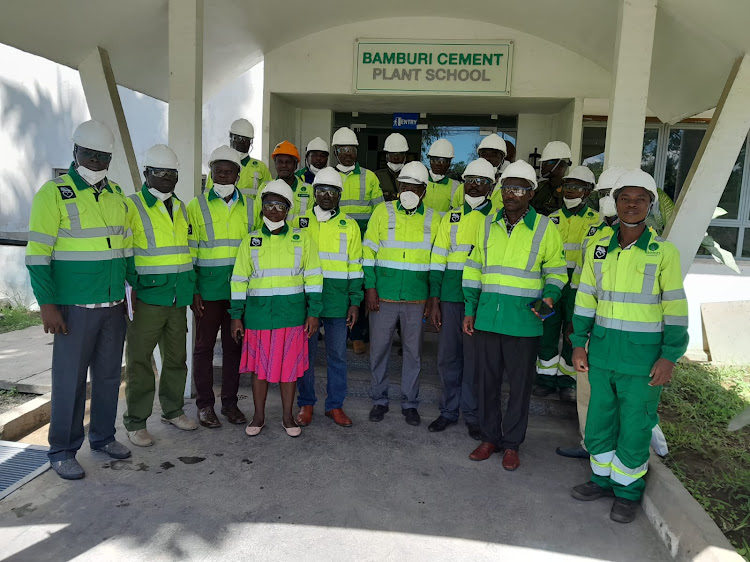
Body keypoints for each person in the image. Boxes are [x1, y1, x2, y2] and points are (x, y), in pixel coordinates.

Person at [570, 169, 688, 524]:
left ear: (650, 204)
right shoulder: (599, 248)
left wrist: (670, 356)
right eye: (625, 198)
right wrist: (578, 343)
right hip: (603, 354)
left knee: (635, 426)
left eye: (640, 199)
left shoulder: (663, 253)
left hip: (643, 360)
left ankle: (627, 492)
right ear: (615, 202)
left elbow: (676, 309)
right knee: (599, 422)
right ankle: (600, 480)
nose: (631, 204)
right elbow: (585, 299)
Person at [25, 120, 131, 479]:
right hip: (74, 307)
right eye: (90, 154)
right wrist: (47, 304)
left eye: (103, 156)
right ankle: (62, 449)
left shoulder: (117, 194)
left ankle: (102, 437)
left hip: (113, 304)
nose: (96, 161)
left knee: (108, 377)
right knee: (69, 381)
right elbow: (38, 253)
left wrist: (133, 292)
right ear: (75, 152)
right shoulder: (53, 193)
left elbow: (125, 250)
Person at [463, 160, 567, 471]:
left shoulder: (546, 228)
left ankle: (512, 444)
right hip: (488, 320)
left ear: (531, 194)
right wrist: (470, 309)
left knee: (519, 388)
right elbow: (474, 270)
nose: (512, 194)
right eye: (507, 188)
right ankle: (490, 437)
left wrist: (549, 298)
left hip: (524, 323)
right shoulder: (486, 225)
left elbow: (557, 273)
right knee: (487, 383)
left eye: (519, 189)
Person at [230, 180, 323, 437]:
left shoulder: (301, 239)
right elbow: (239, 280)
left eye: (279, 205)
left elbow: (313, 277)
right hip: (258, 316)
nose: (273, 210)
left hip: (291, 316)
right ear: (262, 208)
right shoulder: (250, 241)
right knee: (259, 371)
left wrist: (313, 312)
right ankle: (258, 416)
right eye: (268, 204)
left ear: (287, 209)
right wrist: (236, 317)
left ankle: (287, 416)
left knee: (289, 370)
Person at [124, 144, 198, 447]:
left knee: (176, 359)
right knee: (140, 361)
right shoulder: (132, 206)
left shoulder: (182, 208)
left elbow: (187, 252)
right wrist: (130, 293)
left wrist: (191, 289)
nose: (167, 178)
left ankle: (172, 410)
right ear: (146, 173)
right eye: (160, 172)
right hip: (147, 297)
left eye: (172, 173)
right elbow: (126, 252)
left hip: (178, 297)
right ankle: (136, 421)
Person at [363, 161, 440, 426]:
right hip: (382, 297)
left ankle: (410, 403)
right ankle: (379, 400)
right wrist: (370, 288)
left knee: (413, 353)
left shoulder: (434, 218)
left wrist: (433, 297)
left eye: (415, 186)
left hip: (417, 298)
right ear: (398, 186)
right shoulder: (381, 213)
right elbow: (367, 253)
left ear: (424, 191)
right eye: (404, 185)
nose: (408, 190)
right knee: (379, 351)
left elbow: (437, 260)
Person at [427, 158, 498, 440]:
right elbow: (438, 259)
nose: (475, 186)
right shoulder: (451, 217)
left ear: (491, 187)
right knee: (447, 357)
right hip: (450, 298)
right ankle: (448, 411)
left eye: (482, 182)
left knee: (474, 360)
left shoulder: (498, 219)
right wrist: (435, 298)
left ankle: (472, 414)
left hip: (481, 300)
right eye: (470, 180)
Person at [293, 167, 364, 428]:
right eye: (321, 190)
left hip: (337, 300)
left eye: (332, 191)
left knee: (337, 356)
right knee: (306, 356)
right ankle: (306, 403)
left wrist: (355, 301)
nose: (326, 195)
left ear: (339, 195)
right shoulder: (298, 222)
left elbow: (356, 265)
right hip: (306, 301)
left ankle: (335, 405)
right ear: (313, 192)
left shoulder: (350, 226)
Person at [187, 146, 250, 429]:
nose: (223, 175)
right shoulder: (196, 206)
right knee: (203, 348)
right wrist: (194, 289)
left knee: (233, 347)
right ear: (211, 173)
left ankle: (230, 403)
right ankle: (205, 405)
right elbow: (189, 253)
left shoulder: (251, 205)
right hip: (208, 292)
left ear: (238, 173)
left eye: (229, 170)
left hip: (239, 292)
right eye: (218, 170)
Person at [534, 165, 599, 402]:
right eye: (567, 187)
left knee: (574, 332)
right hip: (550, 285)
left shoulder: (597, 222)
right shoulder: (550, 220)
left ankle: (567, 381)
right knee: (546, 329)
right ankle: (545, 377)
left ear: (588, 191)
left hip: (579, 289)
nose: (570, 192)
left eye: (577, 188)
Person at [332, 126, 384, 354]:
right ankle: (337, 332)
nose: (348, 153)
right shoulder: (329, 177)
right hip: (334, 244)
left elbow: (381, 213)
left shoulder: (369, 177)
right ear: (336, 151)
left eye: (351, 148)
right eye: (343, 148)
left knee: (359, 290)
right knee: (338, 289)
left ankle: (356, 334)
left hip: (362, 245)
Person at [205, 118, 271, 198]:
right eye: (239, 138)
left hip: (251, 210)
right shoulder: (218, 167)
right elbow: (208, 195)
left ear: (251, 141)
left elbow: (269, 196)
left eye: (246, 139)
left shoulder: (261, 167)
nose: (242, 142)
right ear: (230, 137)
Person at [255, 141, 312, 226]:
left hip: (299, 238)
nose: (284, 165)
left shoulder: (309, 190)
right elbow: (257, 218)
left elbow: (312, 220)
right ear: (275, 164)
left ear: (296, 165)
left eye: (288, 162)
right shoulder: (264, 187)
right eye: (280, 162)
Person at [452, 134, 507, 210]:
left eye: (493, 155)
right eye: (484, 154)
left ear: (502, 159)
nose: (488, 158)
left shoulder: (506, 189)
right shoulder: (463, 188)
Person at [530, 141, 572, 216]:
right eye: (542, 163)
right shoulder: (538, 188)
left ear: (560, 167)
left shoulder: (569, 191)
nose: (543, 166)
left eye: (547, 163)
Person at [424, 139, 462, 213]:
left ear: (449, 163)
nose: (438, 164)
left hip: (443, 224)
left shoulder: (456, 186)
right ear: (430, 160)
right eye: (434, 160)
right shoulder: (420, 180)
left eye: (443, 161)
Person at [375, 133, 409, 202]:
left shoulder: (412, 176)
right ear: (386, 156)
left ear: (405, 156)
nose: (396, 158)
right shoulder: (377, 176)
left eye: (399, 154)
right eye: (392, 154)